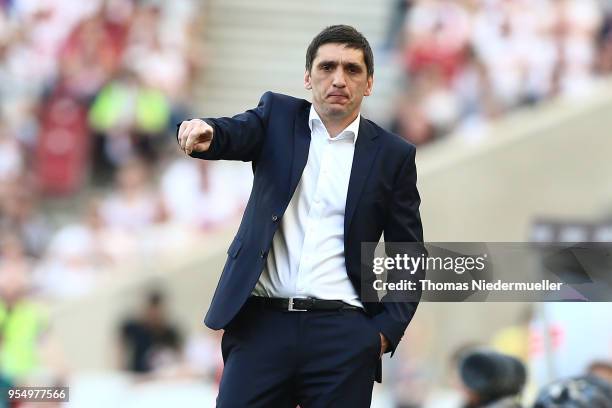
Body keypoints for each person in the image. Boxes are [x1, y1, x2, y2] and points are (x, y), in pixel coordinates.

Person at [177, 25, 424, 407]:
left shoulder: (392, 155)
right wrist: (207, 130)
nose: (338, 79)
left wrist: (384, 332)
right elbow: (235, 131)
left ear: (370, 82)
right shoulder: (276, 117)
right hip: (262, 326)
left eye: (352, 69)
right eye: (327, 67)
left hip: (343, 334)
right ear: (308, 77)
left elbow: (408, 252)